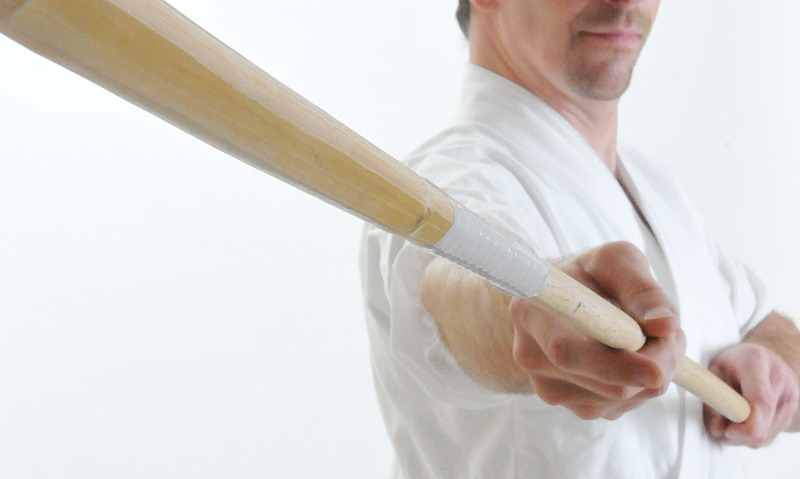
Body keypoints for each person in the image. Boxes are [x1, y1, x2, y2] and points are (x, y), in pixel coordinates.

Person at [359, 1, 800, 477]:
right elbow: (452, 289)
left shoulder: (656, 188)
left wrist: (773, 365)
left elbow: (761, 320)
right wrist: (529, 313)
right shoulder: (449, 181)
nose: (626, 3)